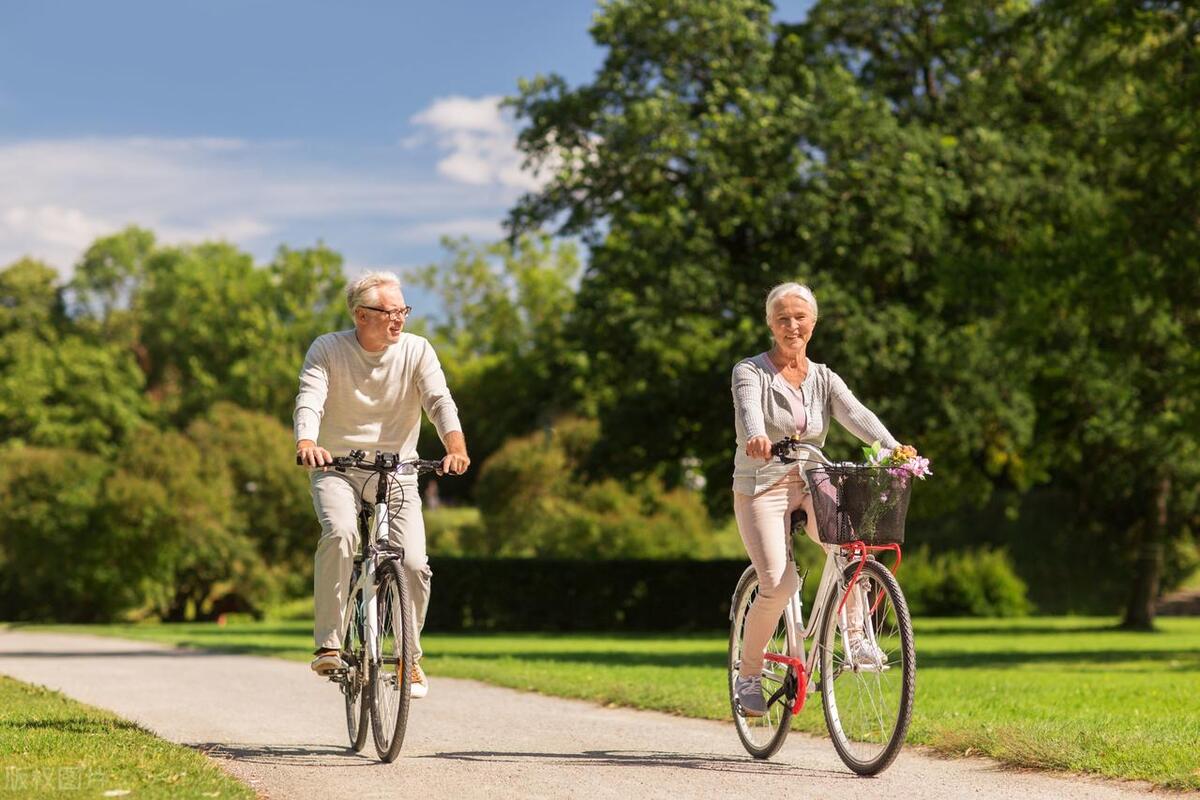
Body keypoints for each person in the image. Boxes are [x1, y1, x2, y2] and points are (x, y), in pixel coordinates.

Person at [295, 271, 470, 698]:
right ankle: (330, 643)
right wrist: (307, 441)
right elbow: (310, 396)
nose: (399, 320)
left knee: (412, 563)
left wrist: (456, 446)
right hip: (336, 466)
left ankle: (409, 656)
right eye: (390, 312)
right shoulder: (329, 349)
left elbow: (438, 400)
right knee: (339, 533)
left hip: (398, 472)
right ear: (360, 315)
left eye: (403, 310)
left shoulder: (416, 350)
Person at [731, 282, 902, 717]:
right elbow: (749, 408)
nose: (792, 325)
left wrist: (895, 448)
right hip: (761, 487)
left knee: (849, 547)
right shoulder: (750, 371)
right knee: (777, 583)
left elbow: (857, 414)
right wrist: (756, 436)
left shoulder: (824, 377)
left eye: (800, 317)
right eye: (782, 317)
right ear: (771, 324)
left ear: (813, 322)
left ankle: (858, 637)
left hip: (810, 479)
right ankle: (748, 674)